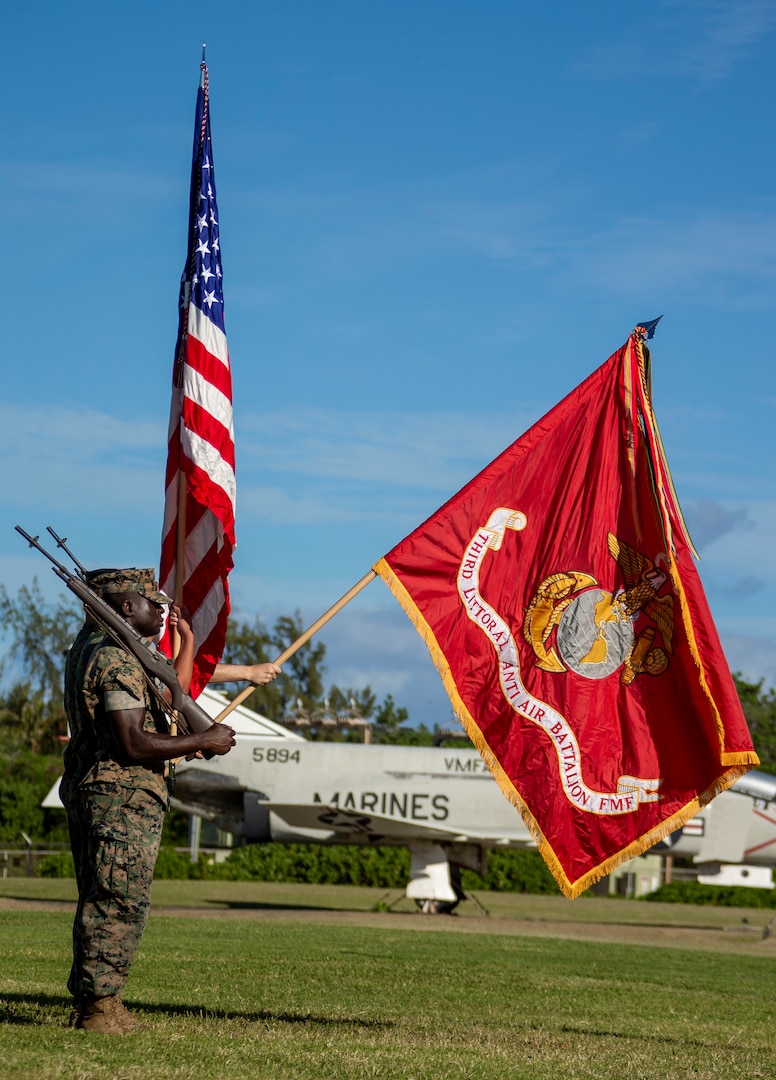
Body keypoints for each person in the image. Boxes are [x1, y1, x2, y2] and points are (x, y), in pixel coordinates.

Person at [62, 568, 242, 1034]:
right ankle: (99, 1010)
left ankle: (100, 1003)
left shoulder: (99, 650)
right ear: (124, 607)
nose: (160, 609)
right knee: (117, 899)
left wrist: (183, 645)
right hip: (121, 795)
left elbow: (167, 692)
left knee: (105, 896)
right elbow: (132, 743)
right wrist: (201, 741)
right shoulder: (116, 660)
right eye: (150, 602)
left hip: (101, 789)